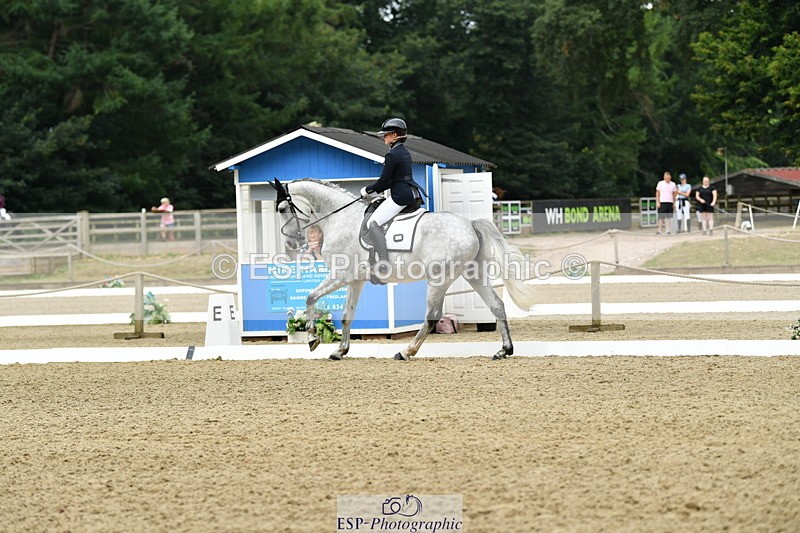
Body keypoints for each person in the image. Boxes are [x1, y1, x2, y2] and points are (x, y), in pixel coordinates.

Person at [359, 117, 423, 274]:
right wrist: (374, 190)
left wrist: (367, 190)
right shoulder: (404, 152)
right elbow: (392, 180)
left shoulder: (392, 155)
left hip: (400, 196)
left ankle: (383, 262)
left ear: (394, 135)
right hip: (411, 193)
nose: (383, 137)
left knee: (373, 223)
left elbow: (384, 181)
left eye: (386, 134)